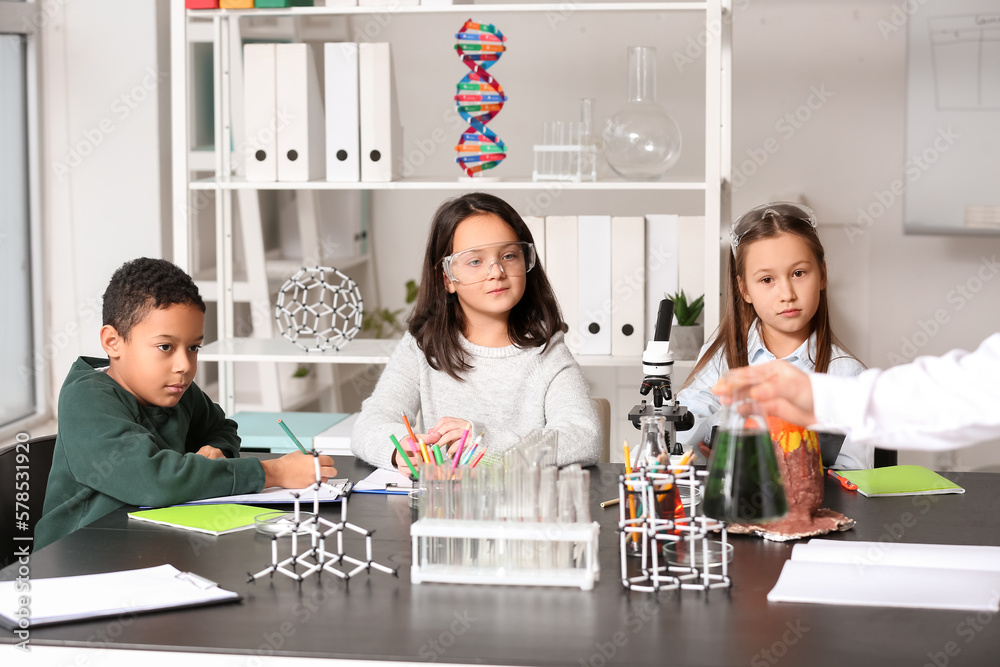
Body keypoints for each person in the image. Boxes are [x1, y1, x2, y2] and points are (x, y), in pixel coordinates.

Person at [35, 258, 335, 550]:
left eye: (193, 348)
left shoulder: (175, 389)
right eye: (165, 347)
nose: (184, 365)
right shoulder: (86, 400)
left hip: (148, 544)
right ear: (113, 342)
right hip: (79, 563)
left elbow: (222, 428)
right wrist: (274, 473)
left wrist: (218, 450)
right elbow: (153, 479)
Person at [351, 192, 601, 471]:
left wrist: (485, 442)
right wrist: (399, 450)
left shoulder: (546, 350)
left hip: (522, 507)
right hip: (446, 506)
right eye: (475, 261)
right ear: (447, 279)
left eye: (509, 255)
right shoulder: (423, 346)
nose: (496, 272)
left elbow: (583, 438)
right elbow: (371, 424)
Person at [675, 202, 871, 469]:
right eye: (767, 280)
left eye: (799, 273)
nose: (787, 294)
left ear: (822, 274)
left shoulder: (846, 374)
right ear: (744, 289)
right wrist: (721, 425)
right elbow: (682, 436)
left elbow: (854, 477)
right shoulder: (722, 355)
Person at [712, 333, 1000, 452]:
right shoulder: (719, 356)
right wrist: (821, 398)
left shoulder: (843, 366)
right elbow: (977, 384)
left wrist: (821, 397)